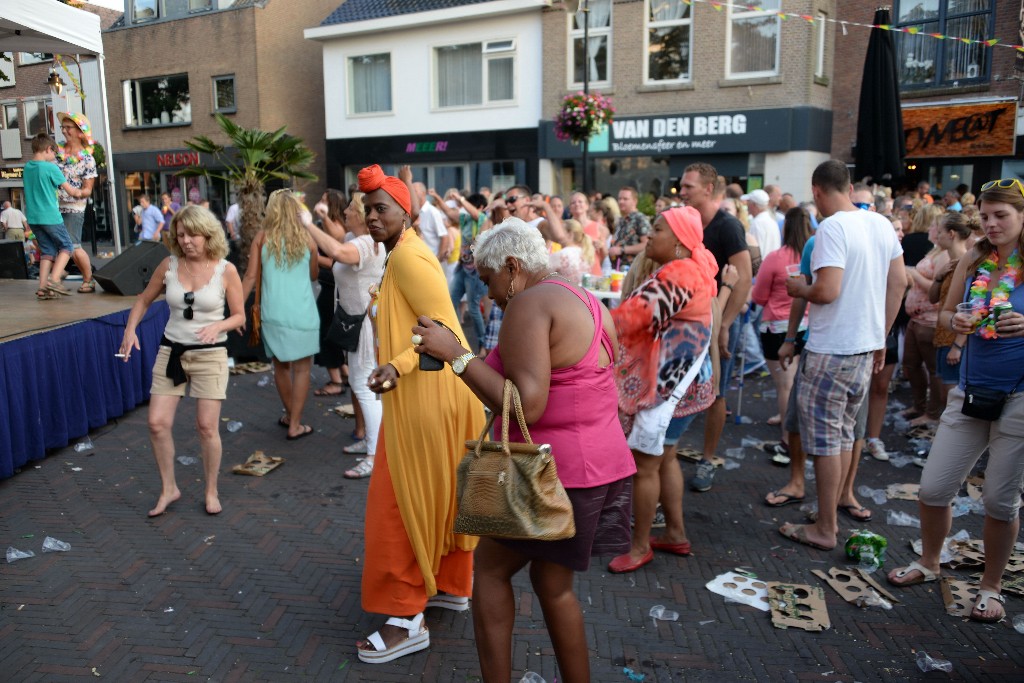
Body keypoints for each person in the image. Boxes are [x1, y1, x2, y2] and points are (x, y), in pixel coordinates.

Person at [412, 216, 635, 682]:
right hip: (600, 467)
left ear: (514, 267)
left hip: (554, 474)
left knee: (490, 573)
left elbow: (526, 406)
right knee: (553, 588)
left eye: (490, 280)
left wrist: (457, 356)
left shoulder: (529, 304)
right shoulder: (586, 298)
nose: (490, 294)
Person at [353, 165, 485, 664]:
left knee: (397, 506)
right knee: (435, 496)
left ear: (405, 214)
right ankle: (451, 584)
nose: (371, 216)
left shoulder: (408, 258)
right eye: (366, 209)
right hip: (425, 395)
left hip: (431, 399)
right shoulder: (400, 255)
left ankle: (407, 619)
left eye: (381, 208)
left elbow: (446, 333)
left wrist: (396, 364)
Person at [888, 178, 1024, 624]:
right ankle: (930, 561)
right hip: (969, 392)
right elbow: (944, 314)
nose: (991, 223)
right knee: (932, 488)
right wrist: (958, 320)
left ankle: (990, 586)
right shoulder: (974, 257)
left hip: (1019, 398)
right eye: (985, 215)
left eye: (1001, 215)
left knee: (1000, 501)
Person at [779, 160, 905, 552]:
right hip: (864, 349)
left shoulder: (832, 227)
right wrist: (880, 336)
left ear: (817, 192)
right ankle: (829, 515)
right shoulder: (880, 223)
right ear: (849, 187)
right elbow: (898, 282)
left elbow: (828, 291)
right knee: (845, 434)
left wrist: (800, 289)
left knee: (825, 442)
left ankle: (825, 527)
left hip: (833, 350)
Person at [607, 206, 718, 574]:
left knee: (644, 466)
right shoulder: (696, 267)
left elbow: (627, 318)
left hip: (669, 388)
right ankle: (674, 532)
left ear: (679, 243)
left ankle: (639, 547)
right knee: (666, 458)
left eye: (656, 229)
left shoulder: (680, 272)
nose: (649, 235)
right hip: (689, 383)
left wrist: (579, 316)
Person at [118, 205, 245, 516]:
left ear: (209, 235)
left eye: (193, 235)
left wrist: (219, 324)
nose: (187, 241)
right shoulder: (169, 265)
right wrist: (130, 330)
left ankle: (211, 490)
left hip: (210, 355)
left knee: (206, 427)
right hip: (171, 351)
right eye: (181, 235)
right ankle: (169, 488)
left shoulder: (225, 270)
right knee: (157, 424)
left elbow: (240, 315)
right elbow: (143, 299)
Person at [678, 163, 753, 493]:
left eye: (688, 187)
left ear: (708, 189)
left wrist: (725, 324)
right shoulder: (687, 222)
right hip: (689, 321)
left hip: (720, 319)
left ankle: (707, 459)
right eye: (682, 186)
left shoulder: (727, 226)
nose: (682, 192)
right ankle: (668, 448)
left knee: (716, 392)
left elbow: (744, 278)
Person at [304, 191, 386, 477]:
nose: (346, 213)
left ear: (361, 217)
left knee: (365, 387)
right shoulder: (356, 238)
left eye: (350, 209)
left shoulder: (365, 244)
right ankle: (370, 442)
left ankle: (375, 455)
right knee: (360, 383)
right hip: (355, 320)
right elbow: (337, 237)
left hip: (363, 325)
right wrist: (322, 217)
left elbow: (337, 252)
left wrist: (306, 222)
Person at [241, 189, 320, 440]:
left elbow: (251, 277)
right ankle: (296, 423)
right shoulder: (308, 240)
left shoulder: (262, 238)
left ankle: (289, 416)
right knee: (303, 369)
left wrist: (235, 310)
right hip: (303, 314)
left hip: (273, 313)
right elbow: (314, 275)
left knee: (281, 367)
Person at [751, 207, 810, 453]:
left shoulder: (776, 258)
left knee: (785, 385)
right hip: (808, 327)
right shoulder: (817, 255)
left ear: (785, 229)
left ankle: (787, 438)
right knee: (796, 383)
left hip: (777, 328)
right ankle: (788, 421)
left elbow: (759, 296)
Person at [902, 204, 949, 433]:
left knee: (933, 369)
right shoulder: (934, 251)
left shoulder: (944, 256)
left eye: (935, 227)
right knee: (910, 364)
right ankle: (919, 405)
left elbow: (937, 290)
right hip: (916, 319)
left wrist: (913, 273)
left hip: (929, 320)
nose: (931, 229)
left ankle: (932, 413)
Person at [23, 133, 83, 301]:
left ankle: (42, 288)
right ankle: (54, 279)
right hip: (50, 216)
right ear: (48, 149)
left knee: (47, 251)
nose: (53, 158)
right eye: (53, 154)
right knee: (67, 247)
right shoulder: (51, 168)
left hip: (34, 218)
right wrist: (81, 192)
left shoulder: (27, 167)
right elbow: (70, 191)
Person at [927, 211, 975, 412]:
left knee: (952, 395)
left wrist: (957, 344)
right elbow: (933, 299)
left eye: (940, 231)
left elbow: (972, 308)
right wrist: (938, 278)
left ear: (952, 234)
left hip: (954, 339)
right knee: (943, 390)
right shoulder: (949, 263)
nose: (937, 236)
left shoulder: (969, 264)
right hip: (943, 335)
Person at [439, 191, 490, 350]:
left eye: (470, 205)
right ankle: (452, 340)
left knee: (473, 308)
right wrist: (437, 197)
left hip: (475, 270)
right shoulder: (464, 219)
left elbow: (475, 213)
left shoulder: (482, 219)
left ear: (481, 207)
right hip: (463, 267)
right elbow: (448, 212)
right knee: (451, 301)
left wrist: (461, 199)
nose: (465, 208)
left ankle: (483, 343)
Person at [311, 189, 350, 397]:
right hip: (330, 285)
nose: (320, 203)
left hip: (334, 286)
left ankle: (335, 380)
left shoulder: (338, 226)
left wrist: (313, 258)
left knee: (326, 330)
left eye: (324, 200)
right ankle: (344, 372)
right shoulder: (326, 225)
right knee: (330, 329)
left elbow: (336, 254)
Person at [55, 112, 99, 293]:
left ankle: (88, 279)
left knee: (72, 245)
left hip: (74, 207)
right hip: (54, 205)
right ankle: (59, 274)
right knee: (55, 243)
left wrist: (76, 192)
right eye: (62, 127)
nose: (64, 131)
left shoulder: (87, 159)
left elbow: (88, 188)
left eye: (68, 128)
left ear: (80, 132)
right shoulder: (57, 153)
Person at [608, 186, 650, 269]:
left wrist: (622, 250)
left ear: (634, 201)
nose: (621, 201)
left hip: (634, 269)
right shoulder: (621, 220)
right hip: (618, 269)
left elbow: (647, 245)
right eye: (619, 199)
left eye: (625, 199)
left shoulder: (640, 219)